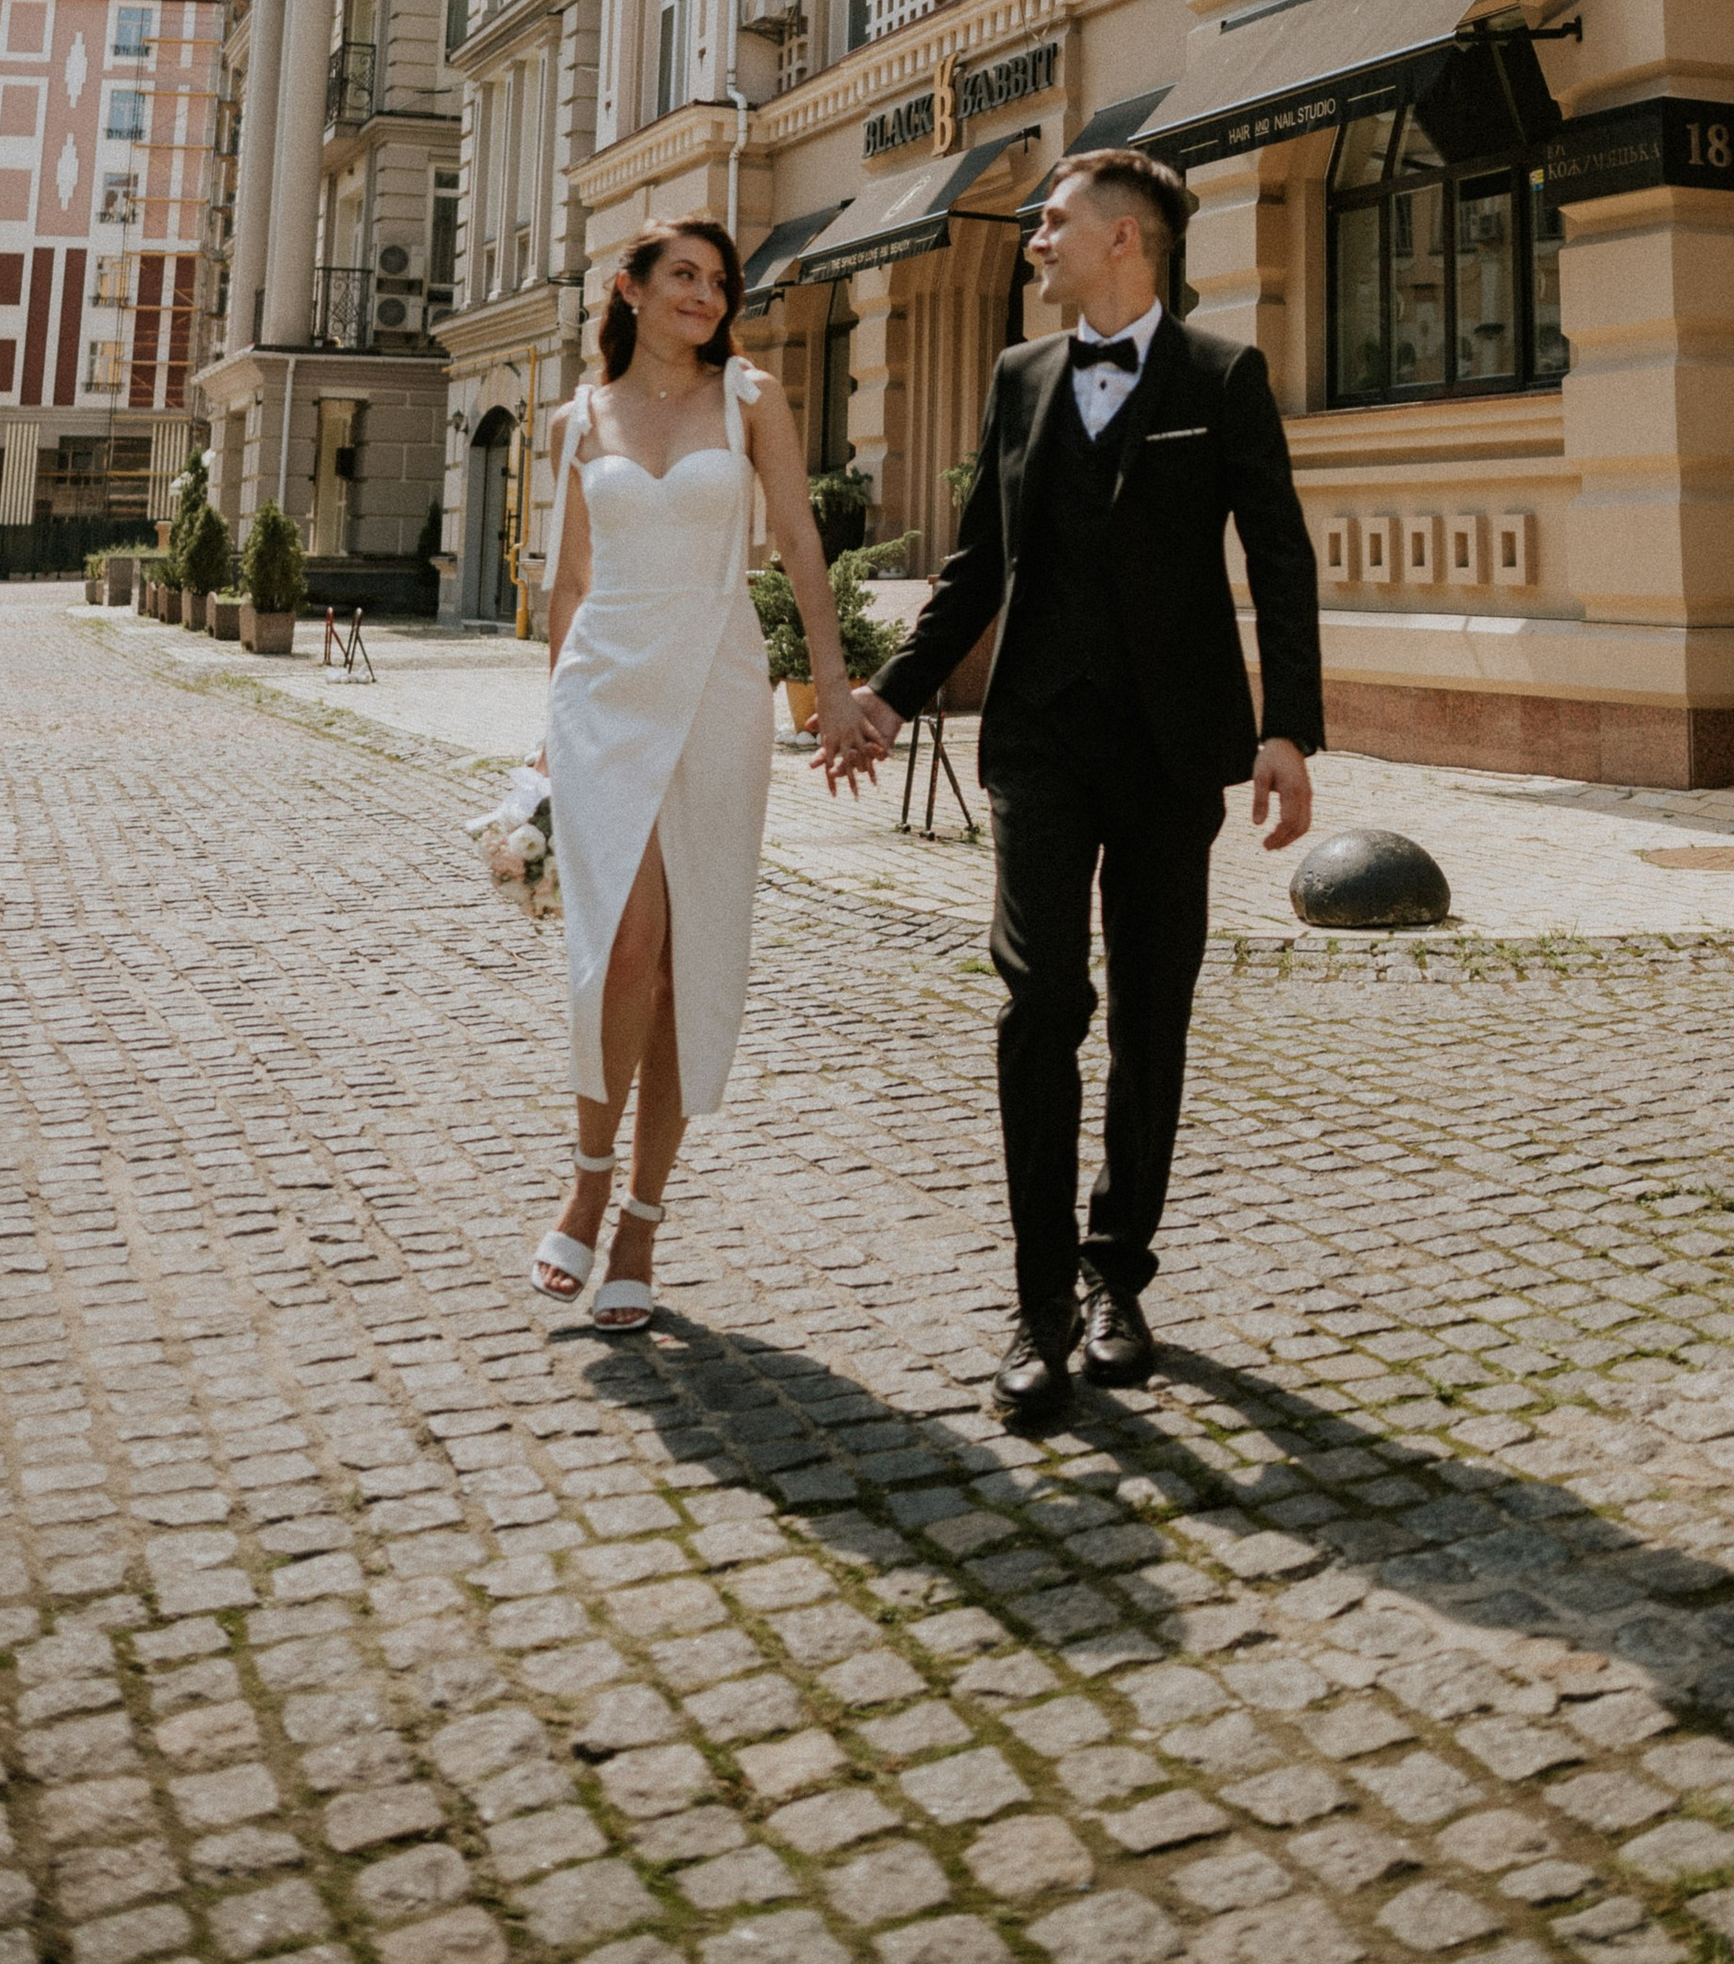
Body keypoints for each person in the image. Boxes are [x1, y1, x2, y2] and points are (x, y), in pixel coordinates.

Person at [859, 148, 1321, 1420]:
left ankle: (1121, 1276)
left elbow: (1279, 560)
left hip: (1176, 754)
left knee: (1153, 1016)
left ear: (1128, 239)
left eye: (1052, 222)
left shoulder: (1225, 378)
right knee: (1039, 1003)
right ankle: (1040, 1303)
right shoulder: (1017, 380)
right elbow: (975, 570)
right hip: (1043, 750)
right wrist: (888, 699)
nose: (1034, 240)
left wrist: (1289, 729)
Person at [531, 216, 868, 1332]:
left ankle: (640, 1218)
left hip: (719, 682)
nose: (706, 297)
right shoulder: (577, 421)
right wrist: (547, 730)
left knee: (686, 958)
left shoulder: (752, 400)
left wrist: (829, 684)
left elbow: (800, 540)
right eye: (682, 276)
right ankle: (584, 1178)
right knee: (619, 948)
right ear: (627, 290)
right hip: (603, 693)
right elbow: (569, 582)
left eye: (719, 282)